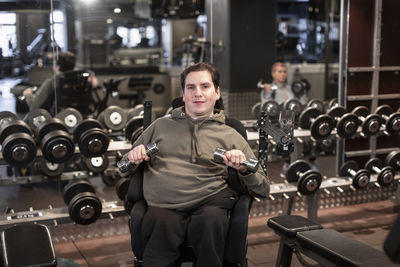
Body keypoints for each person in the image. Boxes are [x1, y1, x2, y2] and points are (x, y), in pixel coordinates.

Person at [127, 62, 269, 266]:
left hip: (210, 201)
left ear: (217, 92)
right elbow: (123, 167)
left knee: (211, 222)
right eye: (191, 87)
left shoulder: (230, 134)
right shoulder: (159, 126)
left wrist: (244, 169)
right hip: (164, 205)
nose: (198, 93)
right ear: (183, 95)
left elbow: (263, 188)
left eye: (205, 86)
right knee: (160, 230)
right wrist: (133, 157)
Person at [22, 51, 98, 114]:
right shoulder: (82, 80)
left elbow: (34, 107)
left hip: (58, 118)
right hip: (80, 116)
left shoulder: (51, 82)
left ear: (57, 67)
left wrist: (28, 94)